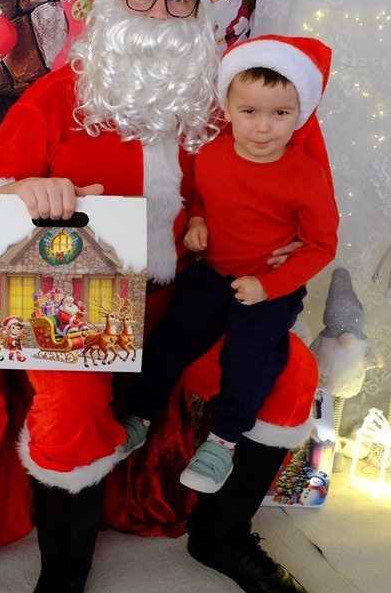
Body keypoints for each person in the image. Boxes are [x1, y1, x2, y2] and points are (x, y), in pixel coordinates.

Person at [0, 0, 318, 593]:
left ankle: (221, 537)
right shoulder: (58, 96)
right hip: (76, 295)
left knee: (290, 374)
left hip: (195, 301)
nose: (158, 13)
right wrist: (21, 194)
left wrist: (284, 239)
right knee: (68, 406)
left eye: (180, 1)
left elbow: (287, 187)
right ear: (111, 6)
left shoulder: (228, 106)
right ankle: (64, 572)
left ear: (201, 19)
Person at [122, 35, 339, 494]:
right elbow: (203, 194)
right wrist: (197, 220)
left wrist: (270, 286)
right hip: (213, 271)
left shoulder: (306, 177)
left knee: (247, 357)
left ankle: (223, 442)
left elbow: (322, 245)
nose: (263, 127)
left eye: (280, 114)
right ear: (228, 108)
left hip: (269, 283)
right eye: (250, 112)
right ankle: (139, 415)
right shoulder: (212, 155)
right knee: (170, 338)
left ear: (300, 114)